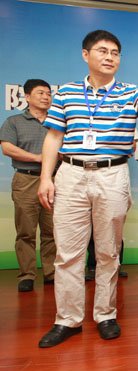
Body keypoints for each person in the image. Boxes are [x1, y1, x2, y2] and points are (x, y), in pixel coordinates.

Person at [37, 30, 138, 348]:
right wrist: (46, 177)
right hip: (71, 174)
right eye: (102, 51)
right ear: (85, 54)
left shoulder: (130, 92)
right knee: (68, 253)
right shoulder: (66, 93)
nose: (109, 57)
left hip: (112, 175)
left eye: (115, 53)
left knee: (108, 251)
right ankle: (67, 320)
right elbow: (53, 137)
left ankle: (105, 315)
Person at [0, 79, 56, 292]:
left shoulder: (57, 122)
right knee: (26, 231)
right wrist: (39, 158)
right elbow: (7, 148)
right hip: (26, 179)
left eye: (48, 94)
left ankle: (51, 273)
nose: (46, 97)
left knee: (52, 231)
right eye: (40, 93)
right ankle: (27, 275)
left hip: (54, 179)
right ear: (27, 96)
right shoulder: (14, 121)